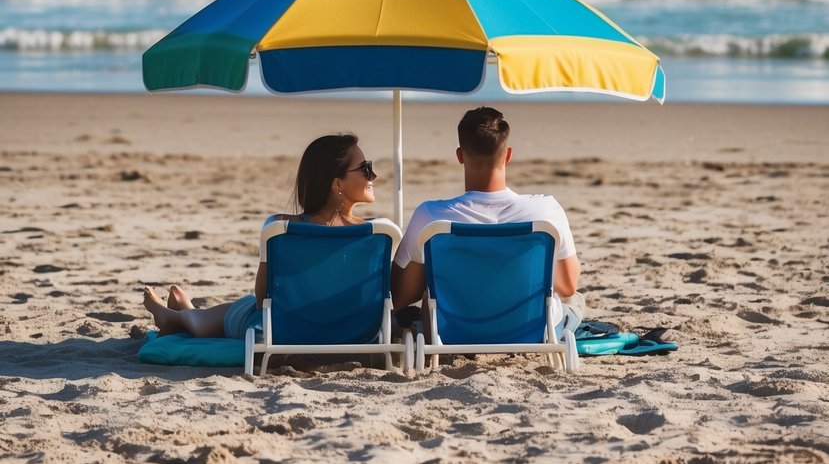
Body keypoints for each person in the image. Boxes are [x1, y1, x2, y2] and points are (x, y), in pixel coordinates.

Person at [142, 133, 379, 339]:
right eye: (365, 168)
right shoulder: (377, 233)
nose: (373, 176)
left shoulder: (281, 228)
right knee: (250, 306)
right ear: (337, 183)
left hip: (290, 327)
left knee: (249, 307)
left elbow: (261, 297)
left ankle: (183, 318)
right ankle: (185, 313)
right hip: (353, 328)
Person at [391, 106, 581, 329]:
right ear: (508, 155)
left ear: (460, 156)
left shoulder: (431, 216)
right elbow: (567, 285)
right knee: (574, 300)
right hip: (528, 329)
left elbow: (399, 296)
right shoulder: (545, 210)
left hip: (454, 330)